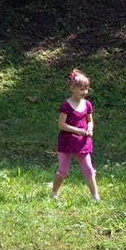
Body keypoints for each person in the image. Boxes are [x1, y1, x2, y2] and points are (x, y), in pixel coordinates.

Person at [50, 68, 100, 201]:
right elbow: (61, 125)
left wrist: (90, 129)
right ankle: (54, 192)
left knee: (89, 169)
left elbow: (90, 121)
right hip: (67, 142)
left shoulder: (87, 104)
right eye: (81, 89)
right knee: (63, 171)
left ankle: (95, 197)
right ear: (72, 89)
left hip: (83, 142)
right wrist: (76, 130)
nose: (85, 92)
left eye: (87, 89)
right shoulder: (66, 105)